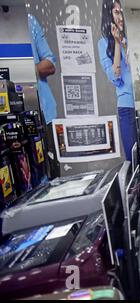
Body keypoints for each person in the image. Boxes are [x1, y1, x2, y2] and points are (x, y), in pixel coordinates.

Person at [98, 0, 137, 161]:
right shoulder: (104, 44)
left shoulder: (128, 40)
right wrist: (116, 43)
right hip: (127, 108)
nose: (120, 17)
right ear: (109, 15)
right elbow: (115, 77)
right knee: (132, 158)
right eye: (116, 12)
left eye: (121, 12)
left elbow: (135, 69)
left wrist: (124, 44)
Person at [28, 14, 58, 179]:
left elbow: (50, 64)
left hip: (43, 115)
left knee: (51, 176)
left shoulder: (29, 20)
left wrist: (24, 70)